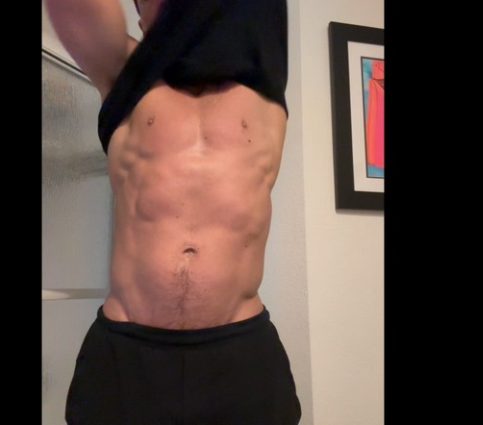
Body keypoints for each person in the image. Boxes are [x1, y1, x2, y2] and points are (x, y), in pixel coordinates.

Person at [45, 0, 299, 423]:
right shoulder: (125, 76)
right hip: (125, 359)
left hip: (240, 359)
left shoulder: (260, 85)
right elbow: (73, 8)